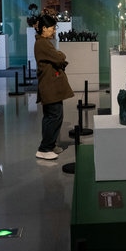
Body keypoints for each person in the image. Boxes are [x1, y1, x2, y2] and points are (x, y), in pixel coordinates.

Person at [33, 14, 74, 159]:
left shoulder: (43, 42)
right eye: (52, 28)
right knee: (53, 116)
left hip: (51, 85)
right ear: (44, 28)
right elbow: (59, 57)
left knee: (54, 115)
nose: (54, 31)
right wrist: (60, 55)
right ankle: (44, 148)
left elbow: (56, 58)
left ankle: (50, 145)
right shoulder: (42, 44)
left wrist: (58, 56)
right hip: (49, 86)